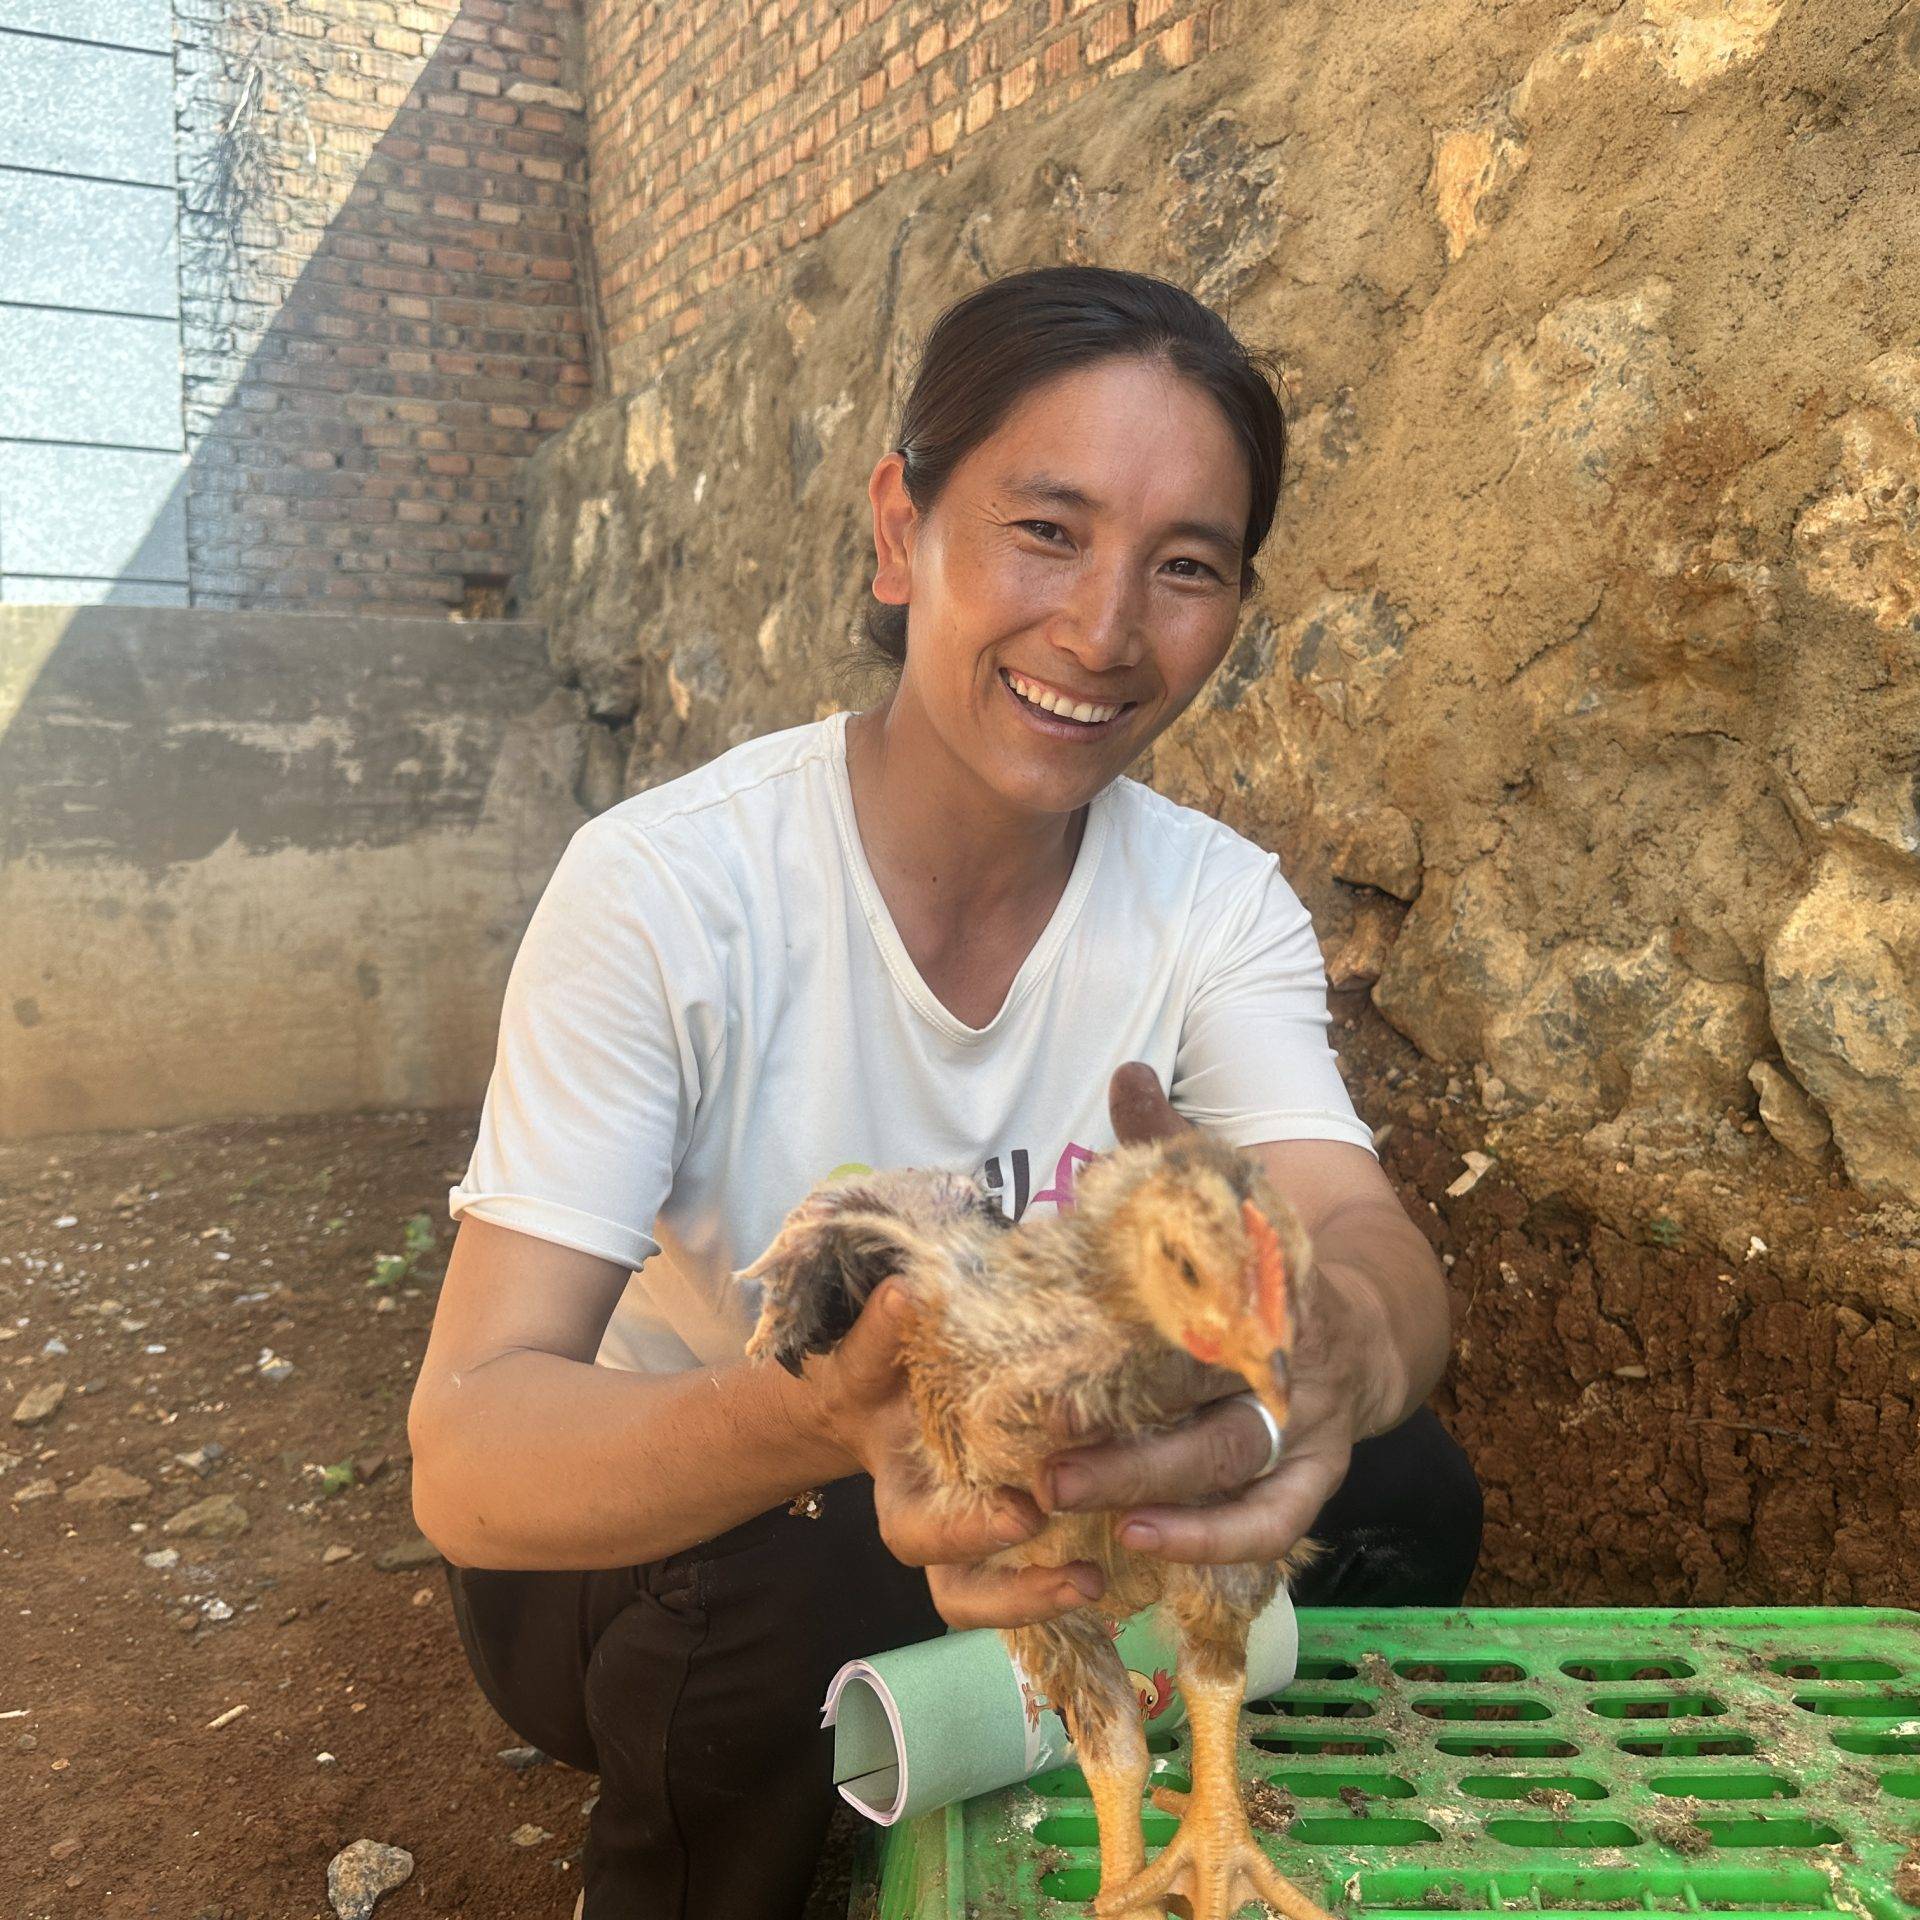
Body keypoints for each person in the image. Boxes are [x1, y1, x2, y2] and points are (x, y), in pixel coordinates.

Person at [408, 264, 1482, 1919]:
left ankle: (1156, 1801)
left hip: (1026, 1483)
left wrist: (1331, 1358)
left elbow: (1368, 1243)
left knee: (1395, 1481)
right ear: (900, 531)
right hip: (652, 1551)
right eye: (1046, 531)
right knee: (813, 1548)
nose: (1106, 631)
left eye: (1184, 568)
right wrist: (824, 1414)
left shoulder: (1211, 903)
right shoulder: (666, 892)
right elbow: (471, 1451)